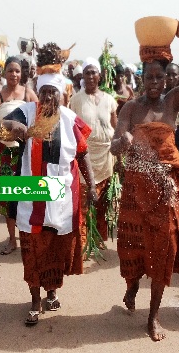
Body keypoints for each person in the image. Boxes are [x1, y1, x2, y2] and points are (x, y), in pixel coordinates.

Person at [110, 21, 179, 341]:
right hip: (138, 188)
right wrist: (122, 140)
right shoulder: (131, 108)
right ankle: (132, 286)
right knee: (134, 247)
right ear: (141, 78)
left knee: (162, 249)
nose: (154, 82)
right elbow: (116, 138)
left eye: (159, 77)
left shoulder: (173, 102)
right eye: (149, 77)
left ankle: (153, 316)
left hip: (167, 188)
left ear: (166, 80)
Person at [1, 42, 97, 326]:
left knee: (55, 248)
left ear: (61, 93)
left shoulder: (69, 119)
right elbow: (5, 127)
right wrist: (18, 129)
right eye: (43, 93)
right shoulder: (27, 112)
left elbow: (82, 154)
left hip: (62, 198)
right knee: (32, 249)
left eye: (52, 93)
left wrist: (91, 186)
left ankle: (52, 291)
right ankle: (34, 300)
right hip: (31, 197)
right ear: (38, 93)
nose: (48, 98)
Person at [0, 56, 38, 255]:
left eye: (17, 71)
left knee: (25, 195)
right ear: (4, 73)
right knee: (7, 197)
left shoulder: (29, 94)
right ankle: (12, 239)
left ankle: (26, 237)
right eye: (10, 70)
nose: (13, 74)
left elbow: (39, 122)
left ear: (21, 74)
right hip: (3, 154)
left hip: (24, 153)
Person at [69, 57, 117, 244]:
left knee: (103, 202)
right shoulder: (76, 100)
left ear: (100, 76)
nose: (90, 76)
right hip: (84, 157)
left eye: (93, 72)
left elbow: (115, 126)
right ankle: (83, 241)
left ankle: (97, 239)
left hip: (105, 157)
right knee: (84, 201)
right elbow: (72, 127)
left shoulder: (110, 100)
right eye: (87, 72)